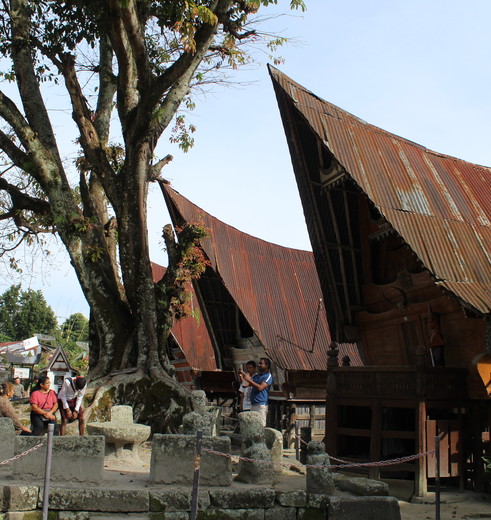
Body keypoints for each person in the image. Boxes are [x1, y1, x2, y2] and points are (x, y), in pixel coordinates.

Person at [239, 357, 273, 427]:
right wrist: (244, 377)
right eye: (259, 363)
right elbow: (246, 385)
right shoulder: (257, 376)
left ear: (267, 365)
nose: (259, 365)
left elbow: (260, 388)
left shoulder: (268, 376)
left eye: (261, 363)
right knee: (253, 425)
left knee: (261, 425)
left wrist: (249, 380)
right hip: (253, 404)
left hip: (261, 404)